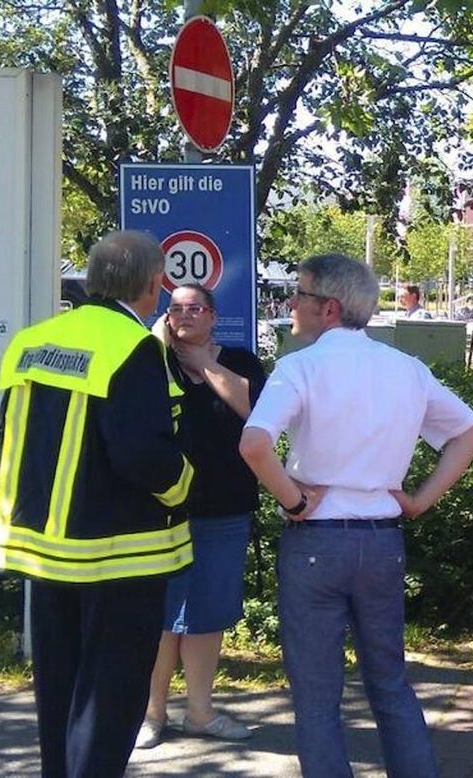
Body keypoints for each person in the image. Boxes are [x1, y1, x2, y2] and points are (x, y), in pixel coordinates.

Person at [239, 254, 473, 777]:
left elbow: (255, 444)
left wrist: (294, 500)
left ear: (327, 308)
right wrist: (421, 498)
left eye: (300, 295)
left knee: (316, 696)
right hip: (381, 540)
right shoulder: (405, 368)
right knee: (389, 682)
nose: (292, 304)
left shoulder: (298, 367)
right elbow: (472, 433)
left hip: (316, 543)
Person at [0, 230, 195, 778]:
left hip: (42, 550)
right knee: (109, 701)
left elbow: (9, 433)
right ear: (154, 284)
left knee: (58, 693)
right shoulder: (133, 347)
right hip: (118, 555)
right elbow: (141, 454)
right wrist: (184, 486)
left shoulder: (34, 340)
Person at [136, 284, 267, 748]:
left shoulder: (241, 360)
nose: (185, 315)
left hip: (225, 509)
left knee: (206, 615)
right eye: (176, 308)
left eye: (195, 308)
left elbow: (254, 411)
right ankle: (151, 714)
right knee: (161, 616)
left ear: (213, 316)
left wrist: (205, 365)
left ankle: (200, 712)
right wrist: (161, 344)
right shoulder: (152, 360)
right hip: (161, 511)